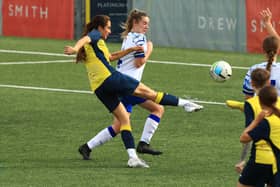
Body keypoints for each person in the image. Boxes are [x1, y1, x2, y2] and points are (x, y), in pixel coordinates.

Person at [64, 15, 203, 168]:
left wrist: (129, 50)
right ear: (100, 27)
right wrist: (75, 48)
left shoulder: (99, 44)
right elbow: (86, 39)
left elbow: (111, 57)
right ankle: (185, 104)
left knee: (124, 120)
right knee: (151, 95)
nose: (109, 31)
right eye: (108, 28)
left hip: (99, 88)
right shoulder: (95, 36)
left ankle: (132, 157)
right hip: (112, 79)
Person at [226, 8, 280, 111]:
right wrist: (268, 23)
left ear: (263, 50)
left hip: (259, 113)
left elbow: (248, 98)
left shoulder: (254, 69)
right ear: (277, 50)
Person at [235, 68, 276, 187]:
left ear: (252, 83)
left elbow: (247, 137)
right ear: (268, 82)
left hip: (260, 159)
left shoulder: (251, 103)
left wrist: (242, 159)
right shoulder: (278, 102)